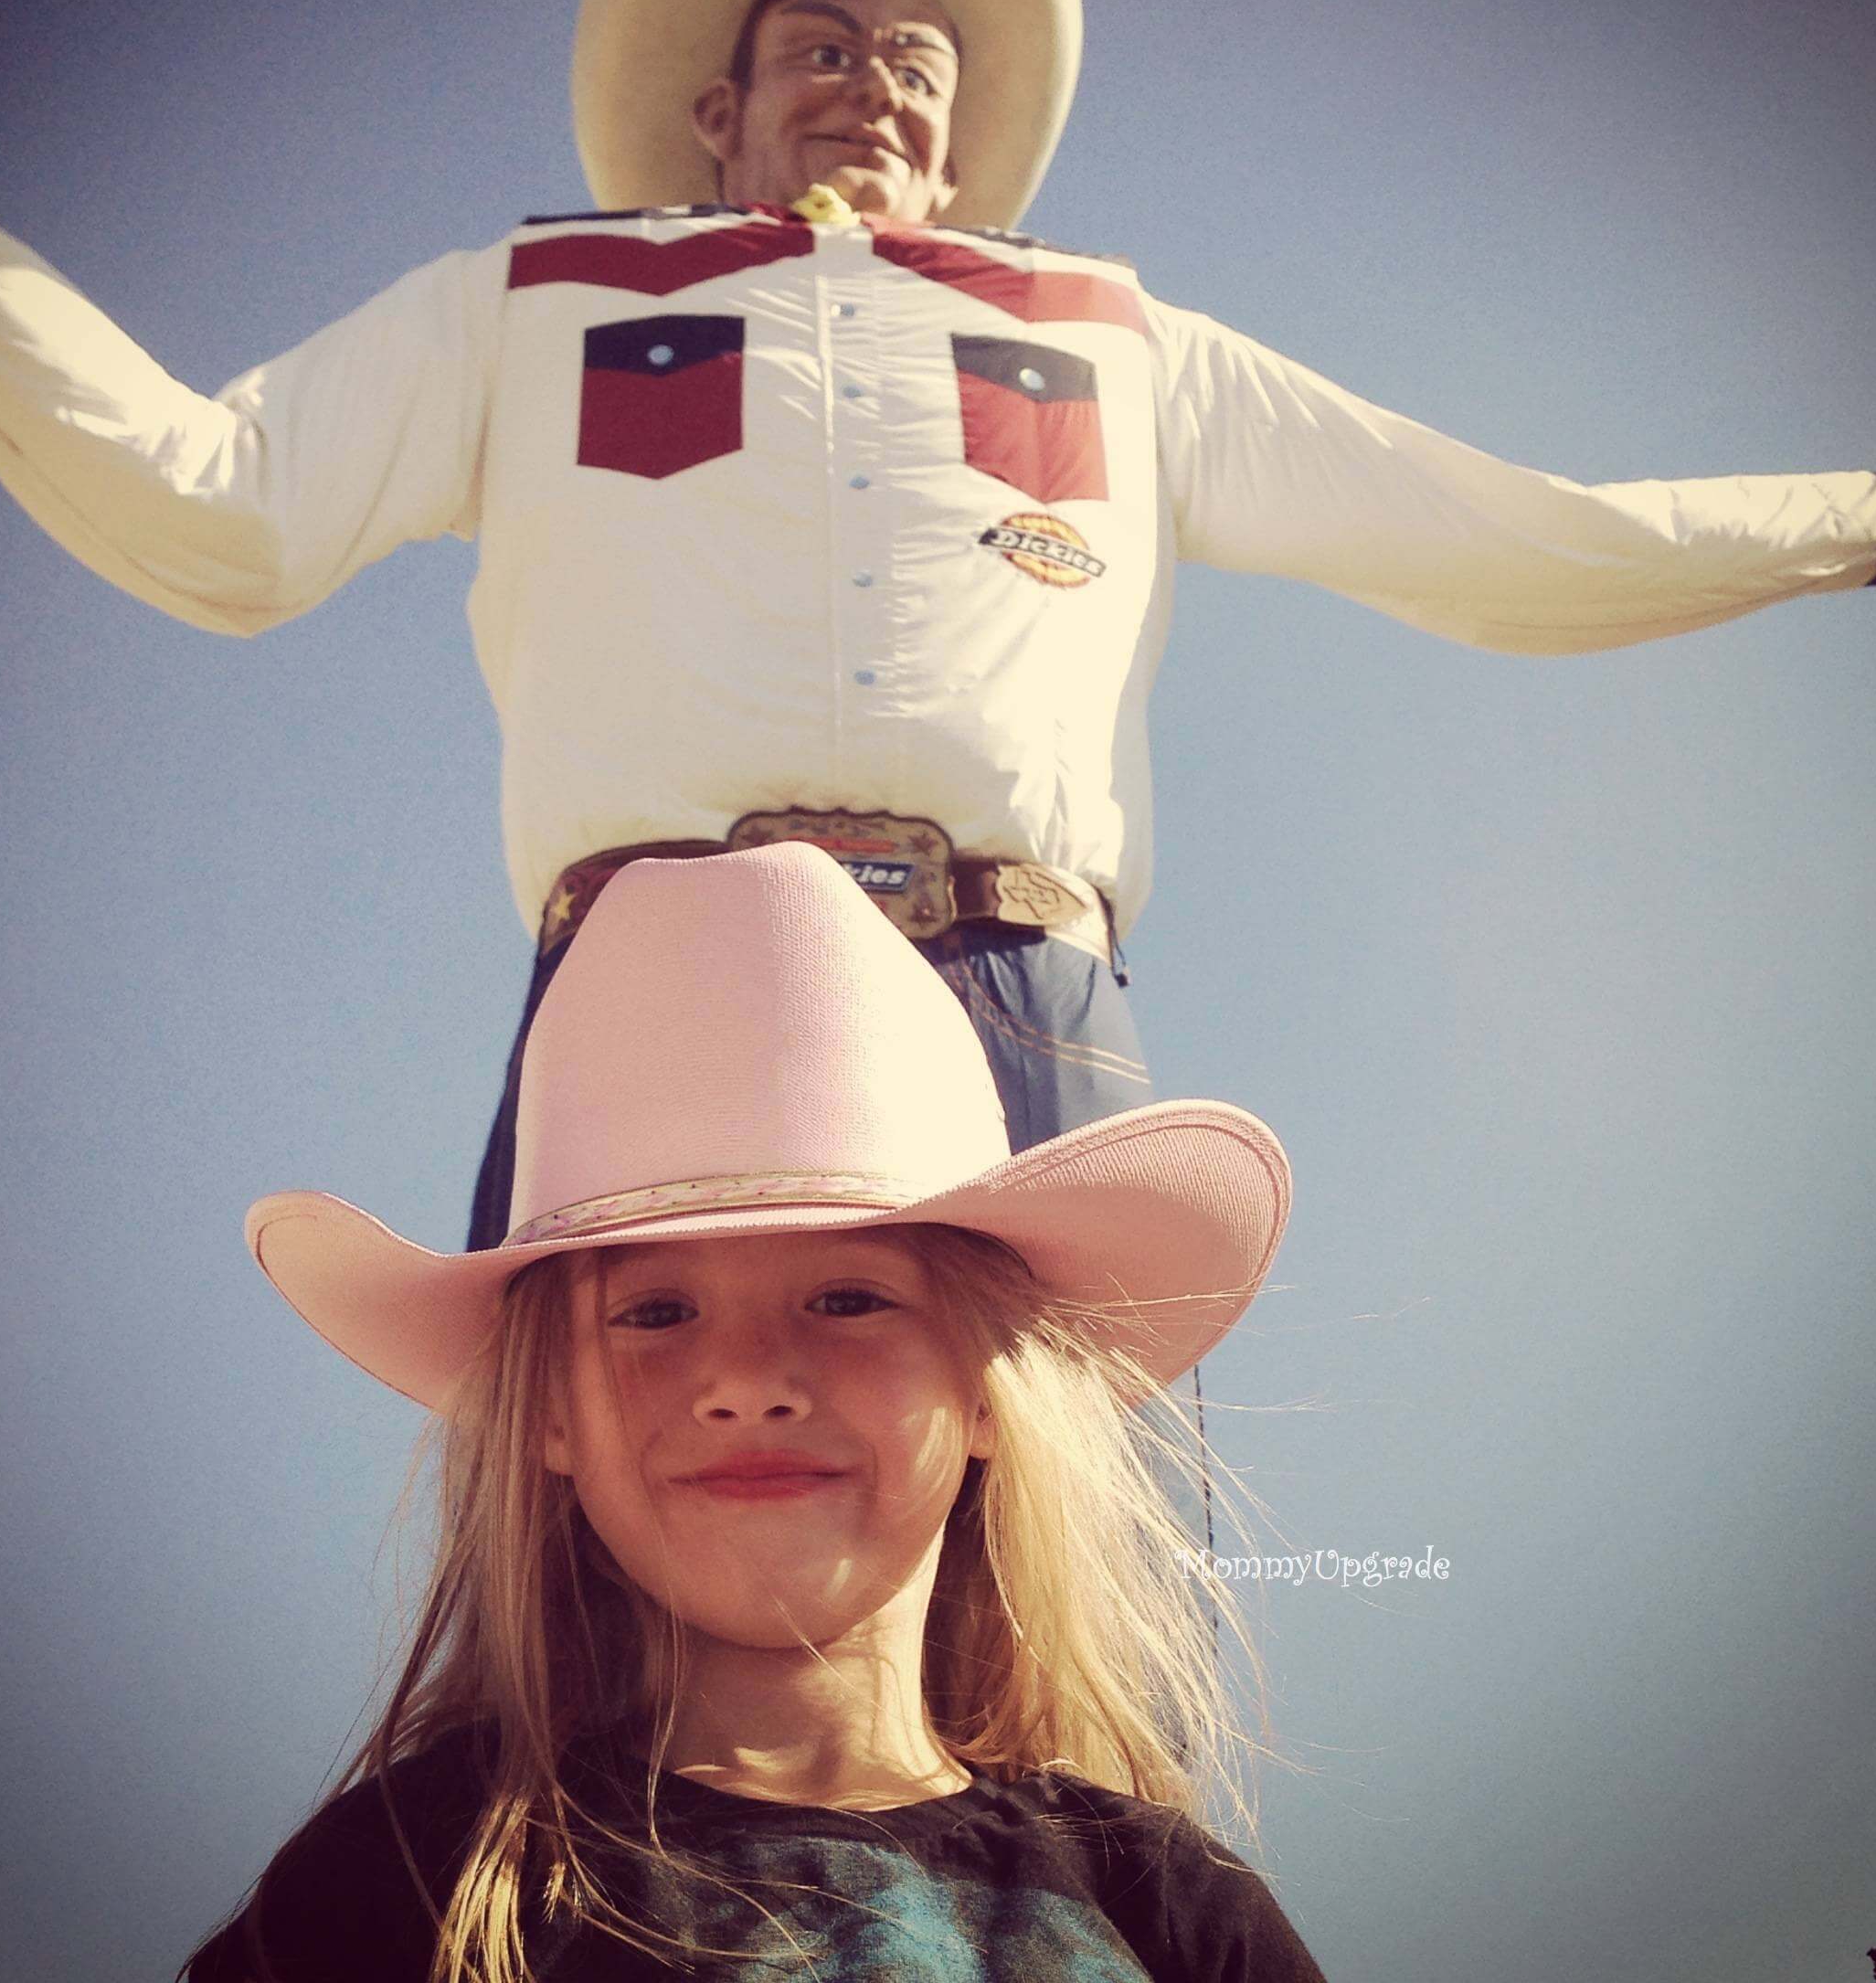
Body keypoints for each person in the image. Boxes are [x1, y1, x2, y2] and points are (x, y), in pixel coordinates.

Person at [0, 0, 1876, 1241]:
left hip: (1017, 975)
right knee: (616, 1575)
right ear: (718, 106)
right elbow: (215, 512)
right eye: (822, 40)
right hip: (652, 964)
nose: (876, 77)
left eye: (919, 61)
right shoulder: (529, 300)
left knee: (1042, 1580)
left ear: (961, 136)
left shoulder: (1120, 341)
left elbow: (1505, 536)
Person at [185, 842, 1320, 1981]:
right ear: (550, 1418)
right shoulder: (400, 1880)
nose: (748, 1381)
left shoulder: (1175, 1908)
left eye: (846, 1298)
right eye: (656, 1313)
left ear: (989, 1389)